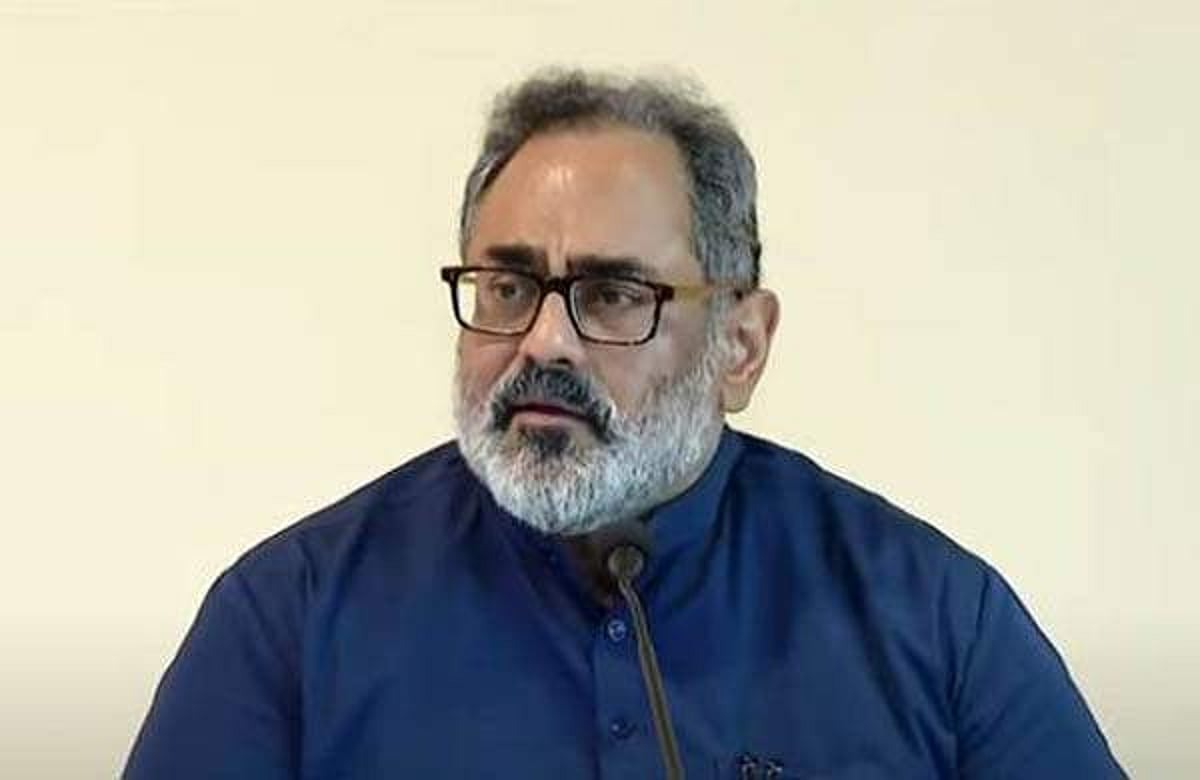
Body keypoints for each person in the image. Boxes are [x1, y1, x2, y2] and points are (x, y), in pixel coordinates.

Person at [124, 69, 1125, 779]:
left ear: (740, 344)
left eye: (612, 295)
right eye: (509, 286)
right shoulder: (290, 619)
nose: (544, 341)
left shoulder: (933, 618)